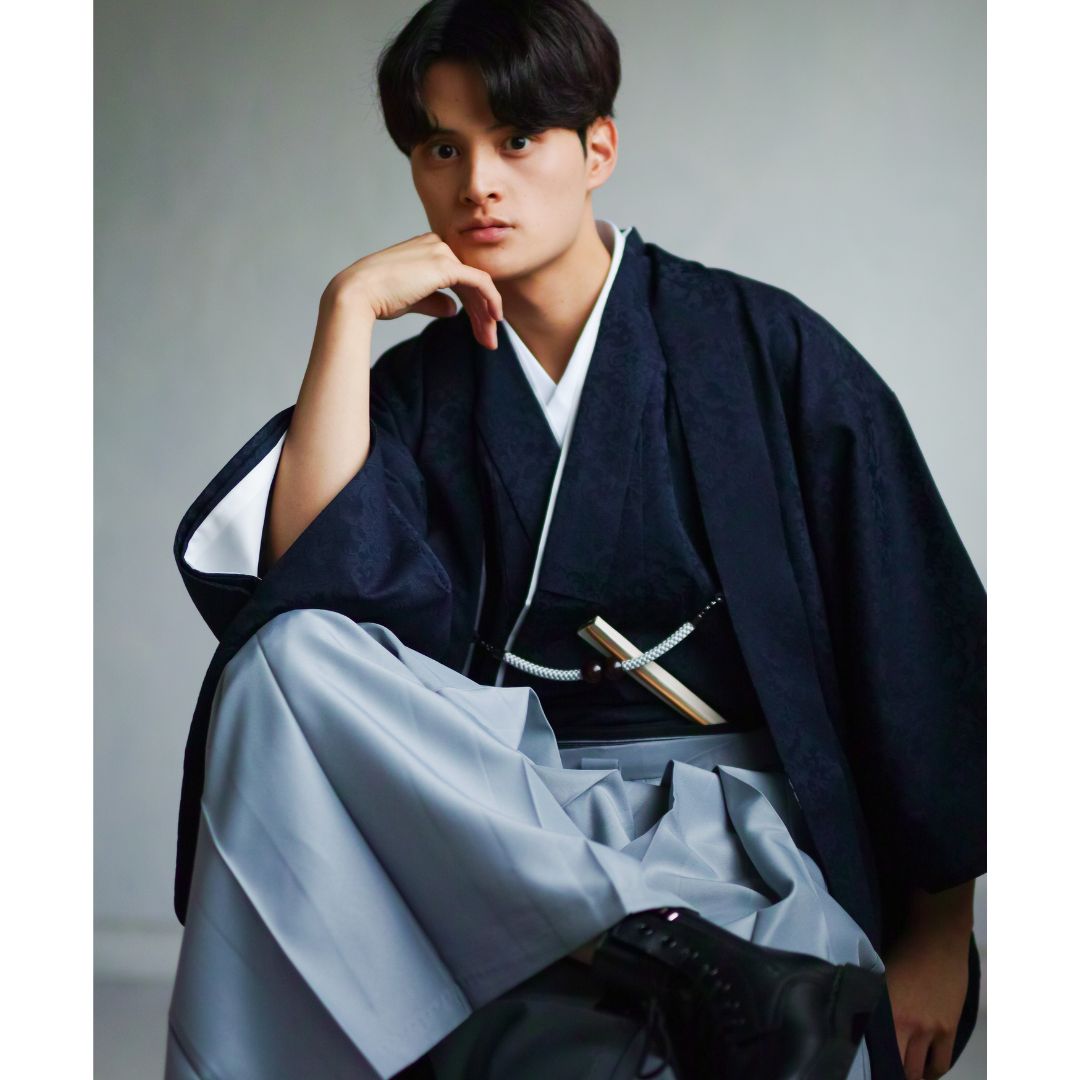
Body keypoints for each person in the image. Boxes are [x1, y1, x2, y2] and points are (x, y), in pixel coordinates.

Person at [165, 3, 985, 1079]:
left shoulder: (760, 346)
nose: (477, 184)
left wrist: (939, 937)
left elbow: (912, 622)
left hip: (736, 827)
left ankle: (663, 946)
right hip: (498, 829)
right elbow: (309, 599)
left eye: (516, 139)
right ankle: (639, 945)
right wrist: (348, 308)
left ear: (598, 149)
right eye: (440, 148)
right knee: (281, 658)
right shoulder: (416, 392)